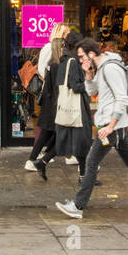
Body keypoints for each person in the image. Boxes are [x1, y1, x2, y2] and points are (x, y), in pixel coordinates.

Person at [54, 39, 128, 220]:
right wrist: (88, 74)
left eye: (82, 57)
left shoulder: (110, 68)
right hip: (116, 127)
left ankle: (78, 206)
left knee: (91, 163)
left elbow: (122, 98)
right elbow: (92, 92)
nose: (80, 60)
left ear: (91, 54)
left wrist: (110, 126)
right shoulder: (101, 68)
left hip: (112, 127)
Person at [24, 28, 65, 179]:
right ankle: (40, 159)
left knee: (50, 131)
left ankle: (40, 159)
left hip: (51, 99)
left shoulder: (53, 59)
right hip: (52, 100)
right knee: (54, 131)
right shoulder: (53, 58)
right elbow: (48, 76)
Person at [52, 31, 91, 173]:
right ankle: (84, 176)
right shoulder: (73, 62)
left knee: (77, 143)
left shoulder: (64, 60)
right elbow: (76, 87)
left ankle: (42, 163)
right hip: (78, 108)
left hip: (67, 107)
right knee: (83, 142)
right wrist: (89, 82)